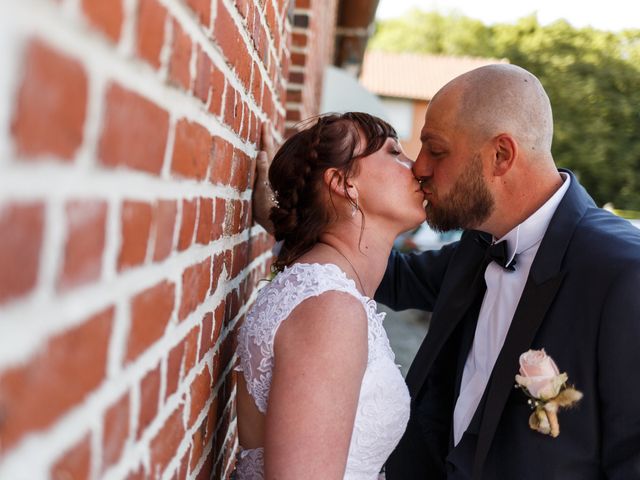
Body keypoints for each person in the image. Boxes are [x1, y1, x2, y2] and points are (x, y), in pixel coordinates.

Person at [374, 64, 640, 479]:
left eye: (436, 150)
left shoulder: (622, 275)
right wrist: (298, 213)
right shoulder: (479, 243)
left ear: (501, 155)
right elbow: (390, 275)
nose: (419, 167)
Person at [235, 112, 426, 479]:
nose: (416, 166)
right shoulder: (329, 308)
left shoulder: (331, 291)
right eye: (395, 153)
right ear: (343, 183)